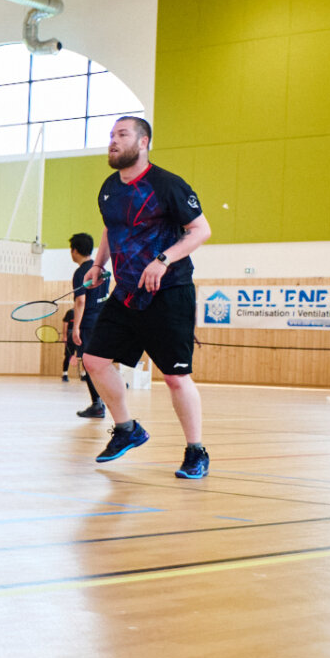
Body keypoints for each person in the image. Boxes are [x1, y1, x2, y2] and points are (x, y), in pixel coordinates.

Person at [79, 116, 213, 478]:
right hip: (125, 293)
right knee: (94, 360)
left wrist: (163, 260)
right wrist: (98, 264)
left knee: (175, 377)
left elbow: (201, 230)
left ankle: (196, 451)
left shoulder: (167, 185)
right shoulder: (110, 188)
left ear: (143, 142)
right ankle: (127, 429)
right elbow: (111, 228)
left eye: (122, 134)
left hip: (169, 292)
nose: (113, 141)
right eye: (111, 135)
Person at [69, 232, 106, 419]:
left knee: (90, 364)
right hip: (103, 321)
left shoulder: (80, 273)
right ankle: (101, 403)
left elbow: (80, 301)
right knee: (99, 364)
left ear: (75, 250)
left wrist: (76, 327)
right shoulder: (101, 269)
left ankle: (98, 404)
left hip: (88, 323)